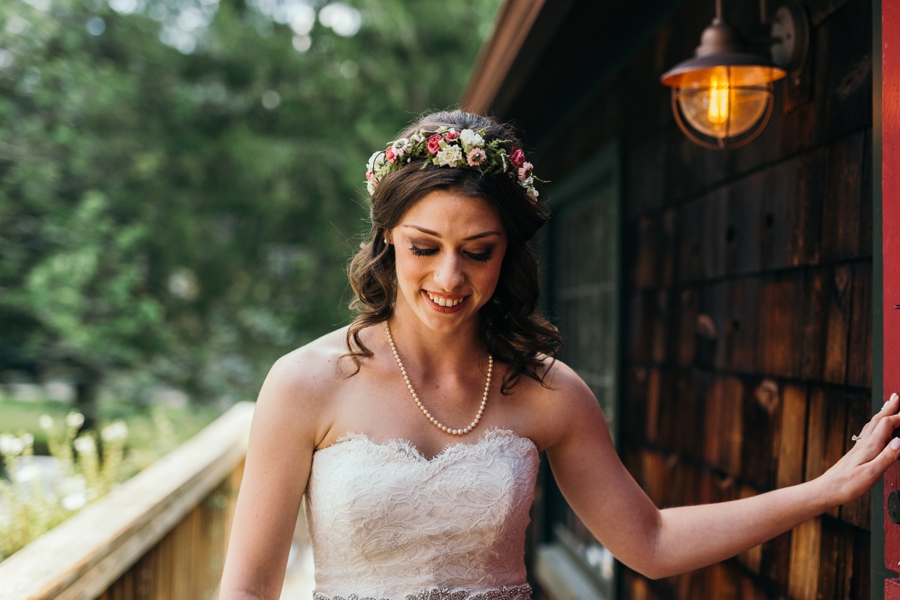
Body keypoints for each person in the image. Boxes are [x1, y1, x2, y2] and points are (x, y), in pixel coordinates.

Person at [219, 110, 900, 600]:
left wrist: (824, 490)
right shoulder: (305, 383)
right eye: (424, 248)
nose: (450, 278)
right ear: (387, 241)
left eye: (478, 252)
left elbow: (652, 543)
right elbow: (248, 588)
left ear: (507, 252)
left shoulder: (549, 392)